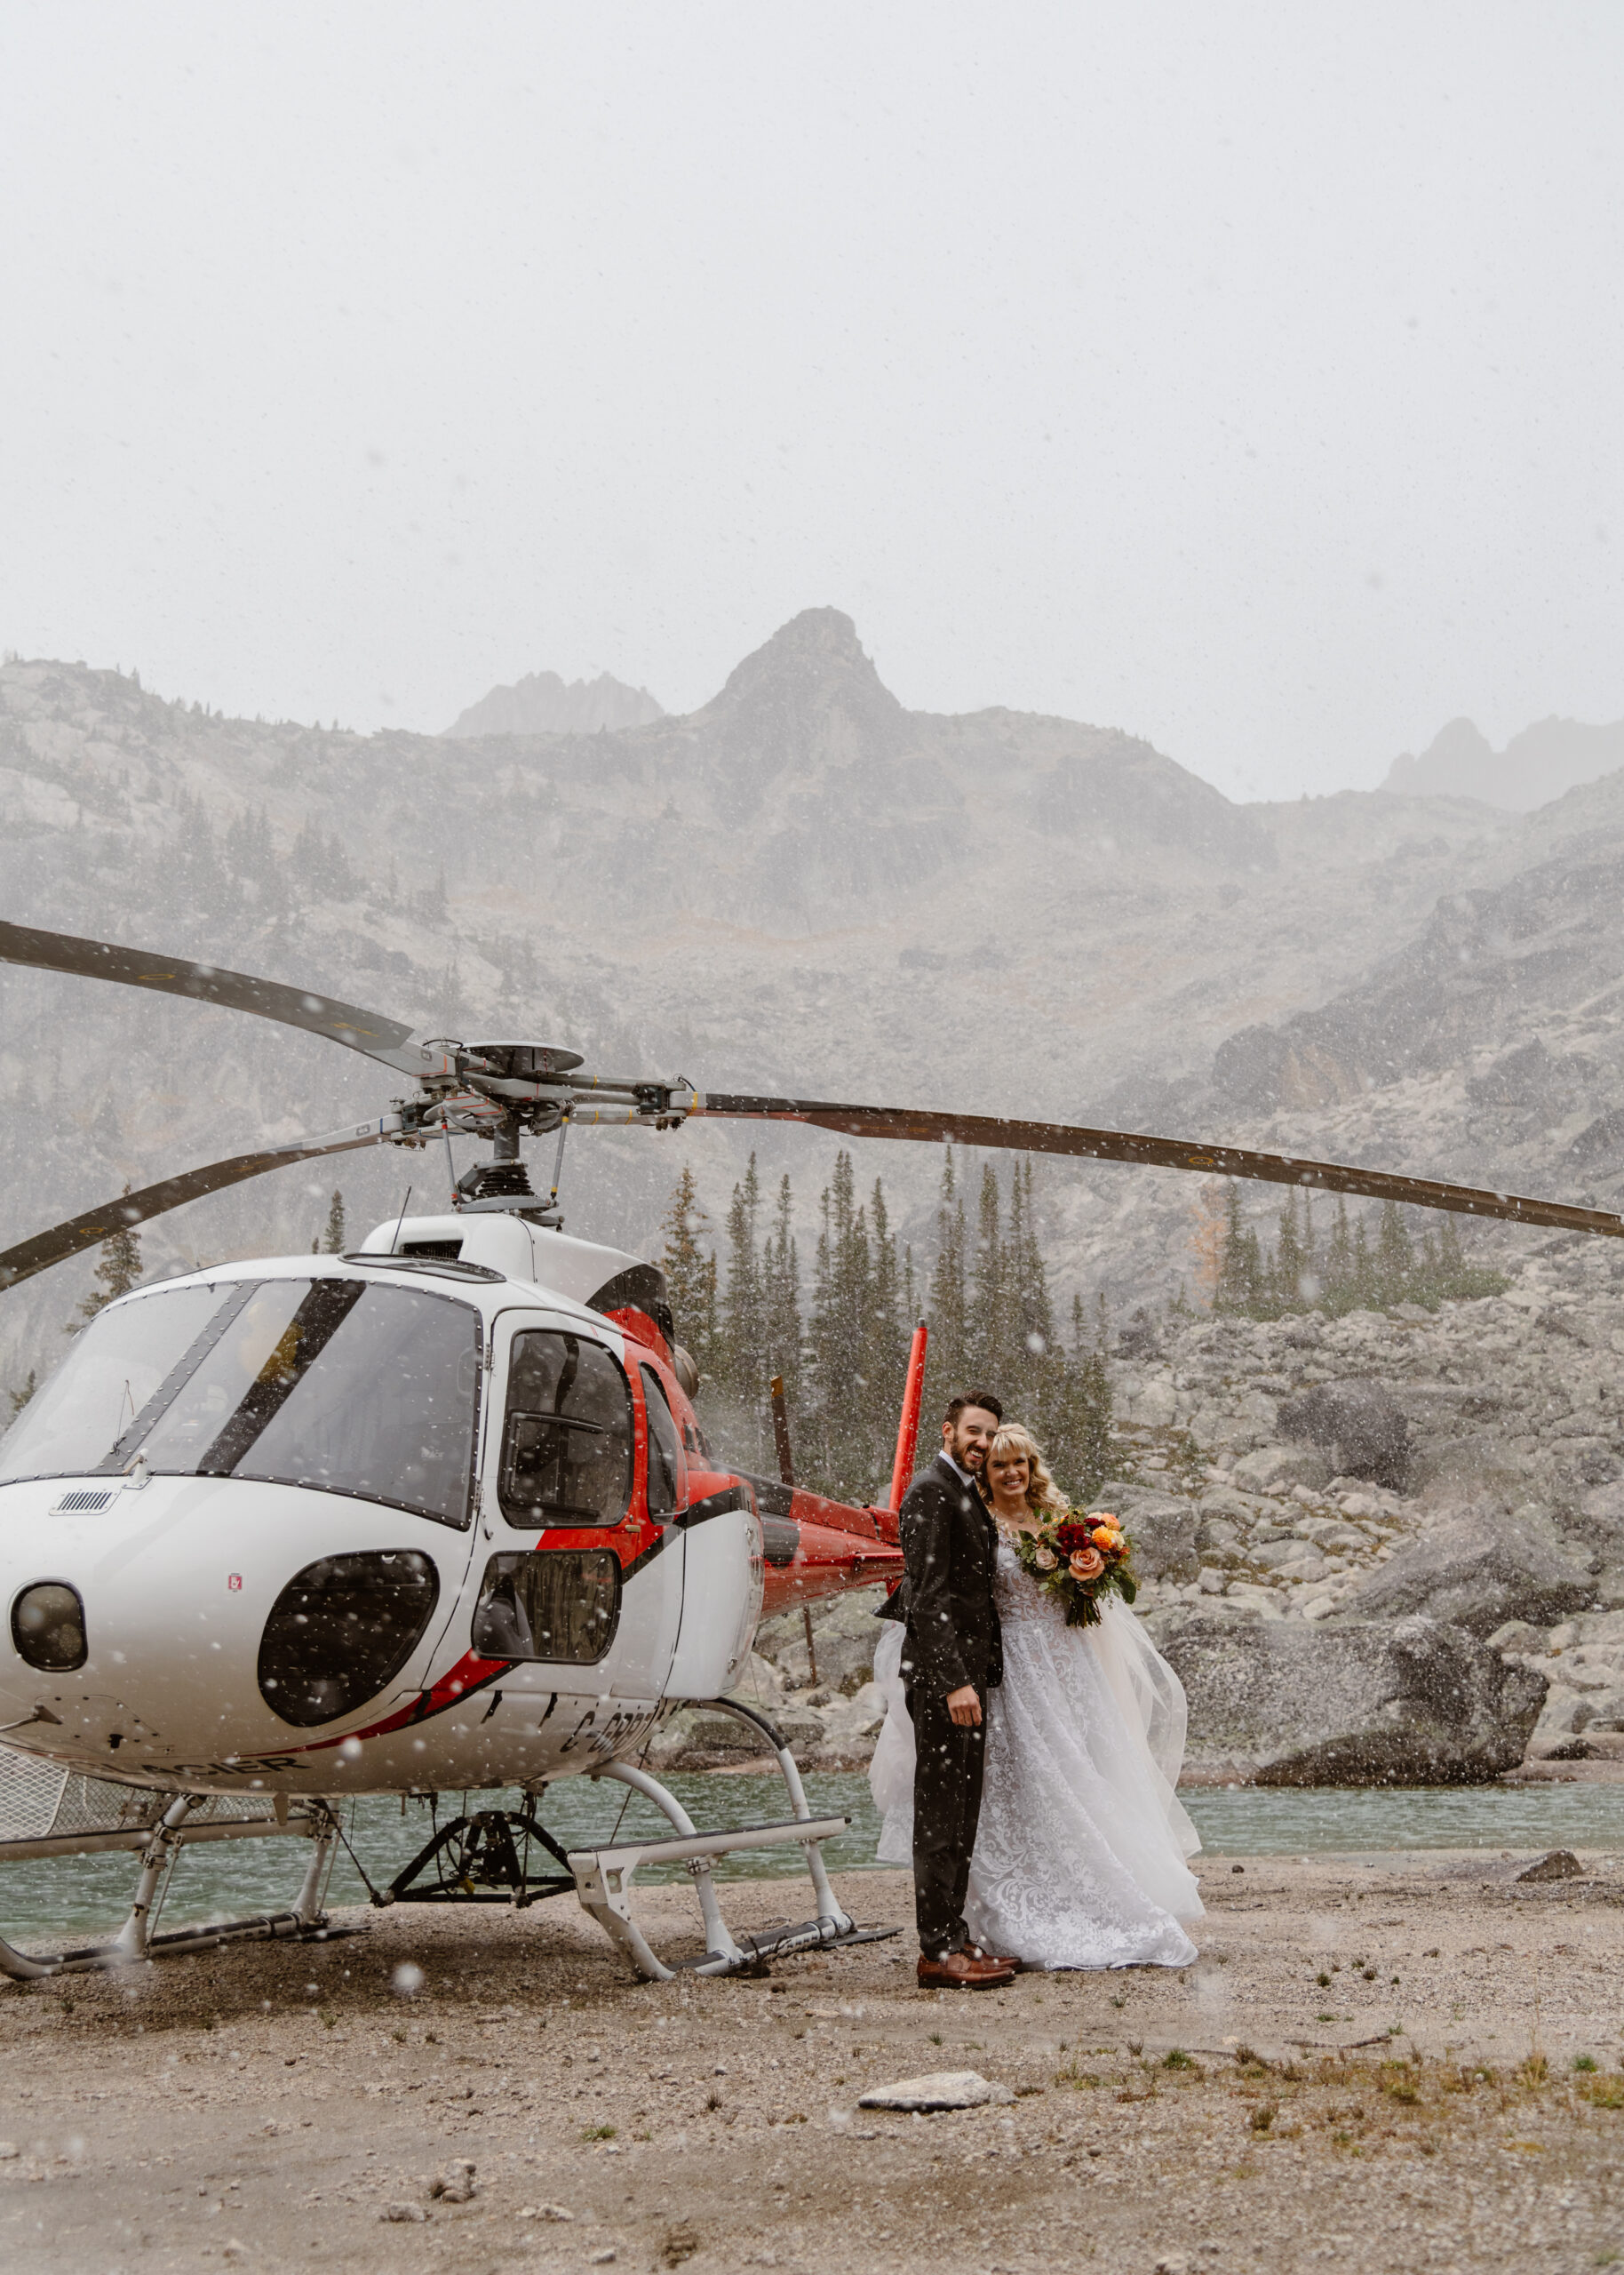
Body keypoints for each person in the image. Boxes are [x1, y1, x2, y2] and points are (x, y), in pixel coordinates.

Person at [871, 1420, 1203, 1971]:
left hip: (1066, 1663)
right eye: (1000, 1464)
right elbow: (949, 1592)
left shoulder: (1055, 1520)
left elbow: (1080, 1602)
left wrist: (1088, 1571)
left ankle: (1090, 1888)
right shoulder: (977, 1521)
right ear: (985, 1470)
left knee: (1082, 1770)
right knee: (1025, 1783)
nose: (1011, 1472)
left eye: (1019, 1462)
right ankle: (1006, 1909)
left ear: (1032, 1466)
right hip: (1011, 1667)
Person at [874, 1392, 1015, 1989]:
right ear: (950, 1430)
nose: (982, 1443)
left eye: (990, 1435)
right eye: (974, 1432)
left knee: (961, 1813)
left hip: (966, 1681)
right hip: (943, 1683)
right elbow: (925, 1596)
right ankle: (936, 1951)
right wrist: (955, 1681)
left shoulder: (963, 1489)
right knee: (939, 1815)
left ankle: (954, 1936)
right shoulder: (931, 1490)